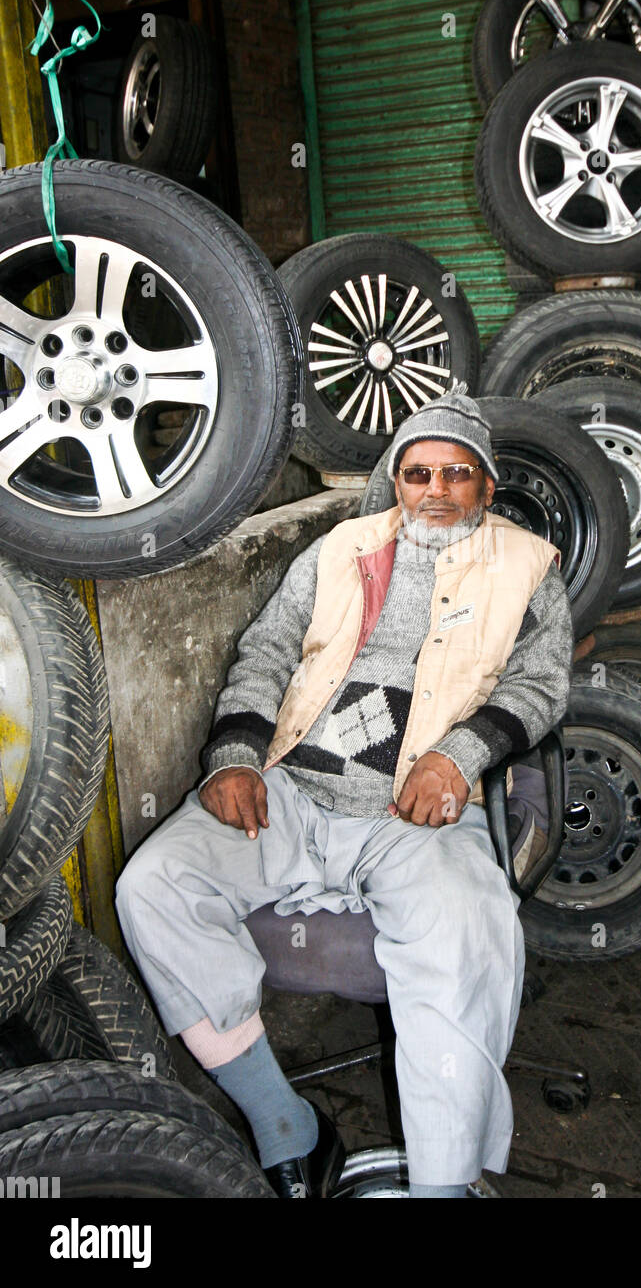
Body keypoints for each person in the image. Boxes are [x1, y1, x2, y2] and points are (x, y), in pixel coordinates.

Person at [115, 384, 574, 1198]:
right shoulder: (337, 549)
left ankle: (443, 1182)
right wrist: (233, 759)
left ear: (486, 486)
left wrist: (459, 756)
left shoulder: (527, 565)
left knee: (467, 930)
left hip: (417, 811)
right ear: (396, 479)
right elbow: (265, 654)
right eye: (418, 472)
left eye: (456, 474)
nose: (435, 490)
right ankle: (284, 1122)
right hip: (292, 786)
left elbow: (542, 687)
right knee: (153, 885)